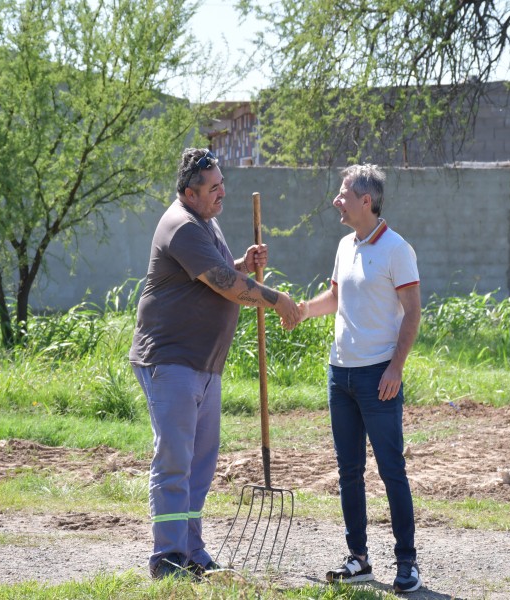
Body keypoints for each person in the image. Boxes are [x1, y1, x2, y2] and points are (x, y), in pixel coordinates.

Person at [129, 147, 301, 581]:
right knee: (174, 460)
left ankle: (191, 549)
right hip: (170, 360)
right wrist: (276, 298)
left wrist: (245, 264)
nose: (222, 192)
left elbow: (222, 272)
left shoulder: (206, 221)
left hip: (204, 364)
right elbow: (223, 284)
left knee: (200, 462)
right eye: (214, 188)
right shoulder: (181, 225)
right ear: (189, 192)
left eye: (223, 183)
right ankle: (167, 559)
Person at [295, 164, 423, 593]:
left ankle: (406, 562)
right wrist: (301, 310)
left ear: (365, 201)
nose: (337, 200)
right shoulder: (345, 245)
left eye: (344, 194)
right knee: (348, 471)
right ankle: (359, 559)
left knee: (391, 470)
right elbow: (335, 297)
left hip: (377, 377)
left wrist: (395, 367)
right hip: (341, 375)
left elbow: (412, 312)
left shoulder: (397, 250)